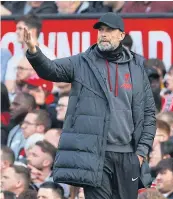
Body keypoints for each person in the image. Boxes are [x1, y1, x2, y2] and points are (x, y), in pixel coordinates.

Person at [24, 12, 156, 199]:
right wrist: (34, 52)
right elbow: (51, 70)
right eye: (100, 30)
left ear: (121, 35)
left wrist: (141, 152)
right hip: (95, 156)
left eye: (109, 30)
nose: (103, 34)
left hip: (129, 157)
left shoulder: (137, 67)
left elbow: (149, 113)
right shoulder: (82, 62)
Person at [5, 14, 56, 94]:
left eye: (20, 29)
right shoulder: (14, 59)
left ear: (32, 31)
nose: (16, 32)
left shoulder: (47, 55)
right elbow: (9, 89)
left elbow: (52, 86)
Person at [7, 93, 36, 160]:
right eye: (12, 104)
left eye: (16, 104)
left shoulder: (34, 130)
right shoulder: (13, 130)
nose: (11, 107)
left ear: (29, 108)